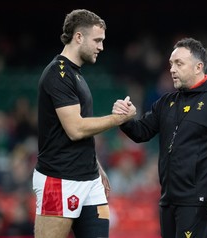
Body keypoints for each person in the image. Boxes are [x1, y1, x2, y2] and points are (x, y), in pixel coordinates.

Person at [113, 37, 207, 238]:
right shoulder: (166, 102)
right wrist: (124, 118)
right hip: (167, 199)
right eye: (171, 64)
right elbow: (141, 132)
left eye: (179, 63)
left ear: (198, 67)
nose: (172, 69)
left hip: (196, 201)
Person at [32, 9, 136, 238]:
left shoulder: (75, 74)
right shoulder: (57, 74)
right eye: (97, 40)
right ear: (78, 36)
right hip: (59, 179)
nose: (101, 47)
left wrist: (95, 164)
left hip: (89, 180)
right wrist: (118, 119)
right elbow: (75, 129)